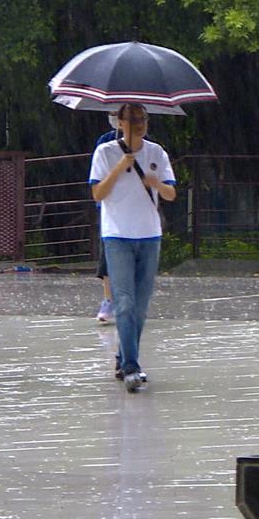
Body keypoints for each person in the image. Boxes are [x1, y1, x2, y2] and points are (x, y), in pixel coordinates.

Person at [89, 103, 176, 392]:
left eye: (143, 118)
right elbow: (97, 193)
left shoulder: (156, 152)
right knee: (123, 302)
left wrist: (156, 184)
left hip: (149, 236)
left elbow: (171, 192)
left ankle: (124, 356)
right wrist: (119, 168)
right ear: (120, 122)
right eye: (132, 119)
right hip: (117, 235)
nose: (139, 124)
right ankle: (131, 367)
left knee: (139, 307)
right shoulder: (105, 152)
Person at [94, 112, 119, 326]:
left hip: (134, 210)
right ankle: (109, 300)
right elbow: (97, 178)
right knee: (108, 255)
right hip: (109, 207)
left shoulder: (149, 146)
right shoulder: (104, 142)